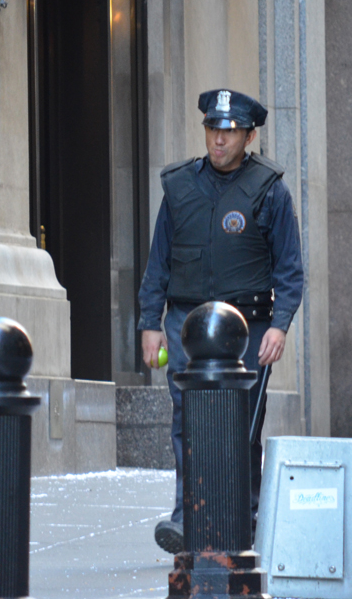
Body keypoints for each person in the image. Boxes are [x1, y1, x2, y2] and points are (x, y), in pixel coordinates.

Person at [137, 89, 304, 554]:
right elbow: (158, 263)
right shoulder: (179, 187)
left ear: (248, 136)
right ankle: (186, 515)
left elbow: (290, 269)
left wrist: (280, 325)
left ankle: (242, 515)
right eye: (213, 129)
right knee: (187, 419)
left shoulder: (270, 189)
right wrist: (150, 323)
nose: (219, 140)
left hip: (247, 326)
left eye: (229, 132)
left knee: (242, 424)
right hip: (186, 322)